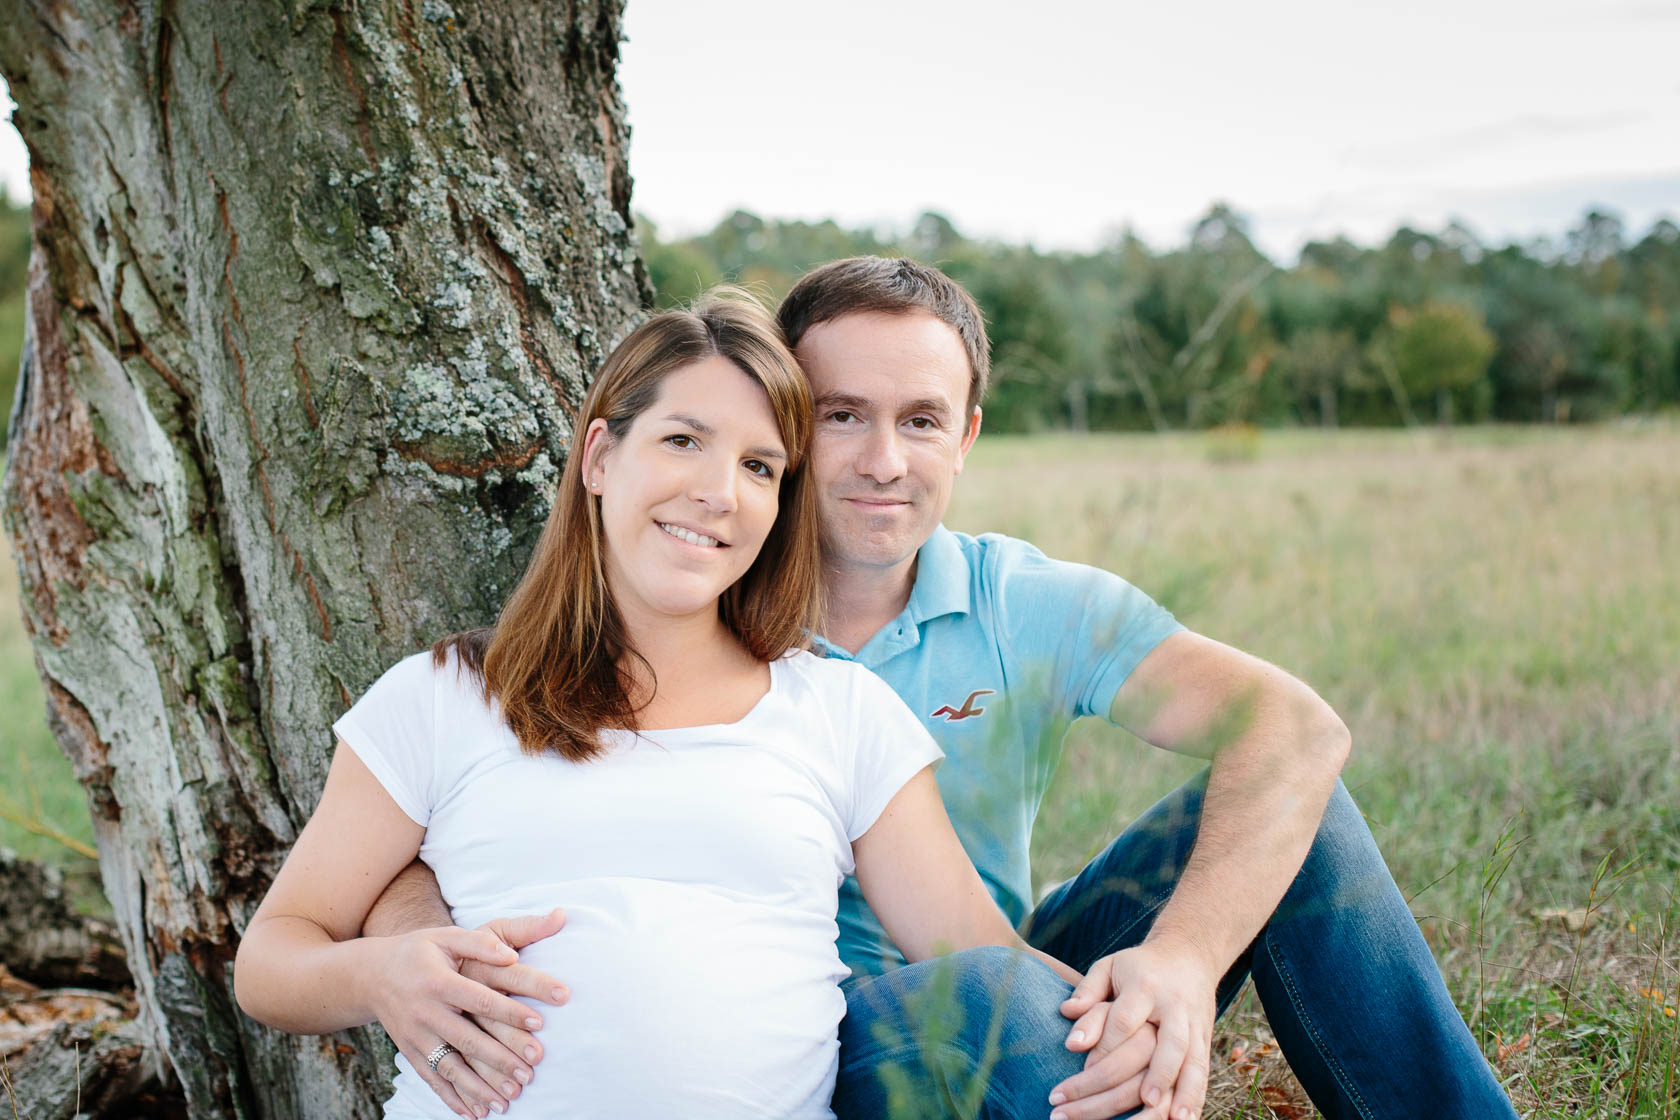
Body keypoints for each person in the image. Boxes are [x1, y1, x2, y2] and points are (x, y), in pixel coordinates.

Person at [365, 260, 1521, 1120]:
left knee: (1296, 827)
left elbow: (1295, 726)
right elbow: (454, 773)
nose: (882, 460)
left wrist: (1178, 958)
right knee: (997, 1005)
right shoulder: (692, 588)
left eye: (921, 420)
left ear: (965, 435)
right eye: (841, 418)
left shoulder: (1026, 601)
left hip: (994, 985)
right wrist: (414, 921)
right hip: (817, 1038)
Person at [231, 290, 1099, 1120]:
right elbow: (273, 959)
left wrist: (1130, 999)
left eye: (760, 467)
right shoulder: (443, 697)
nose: (720, 492)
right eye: (684, 440)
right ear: (601, 456)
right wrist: (383, 974)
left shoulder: (839, 712)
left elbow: (987, 971)